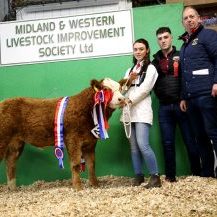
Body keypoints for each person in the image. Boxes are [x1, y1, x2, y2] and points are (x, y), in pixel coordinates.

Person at [152, 27, 202, 182]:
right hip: (164, 108)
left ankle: (198, 175)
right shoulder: (155, 61)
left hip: (182, 105)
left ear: (171, 38)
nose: (163, 40)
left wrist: (183, 97)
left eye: (166, 37)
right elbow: (151, 83)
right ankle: (170, 177)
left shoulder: (182, 55)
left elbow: (186, 78)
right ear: (157, 41)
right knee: (167, 143)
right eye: (160, 38)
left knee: (190, 140)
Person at [179, 6, 217, 177]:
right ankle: (207, 172)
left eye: (192, 16)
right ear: (183, 23)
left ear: (199, 18)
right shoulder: (185, 44)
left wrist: (216, 82)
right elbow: (184, 73)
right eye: (186, 18)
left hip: (207, 94)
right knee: (200, 137)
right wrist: (183, 97)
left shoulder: (208, 35)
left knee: (214, 133)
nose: (189, 20)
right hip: (191, 98)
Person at [119, 38, 161, 188]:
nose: (138, 52)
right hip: (128, 112)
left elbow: (145, 89)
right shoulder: (129, 70)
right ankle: (138, 175)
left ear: (147, 50)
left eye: (141, 49)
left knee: (143, 144)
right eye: (136, 49)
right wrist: (126, 84)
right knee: (134, 147)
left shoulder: (151, 68)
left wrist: (129, 100)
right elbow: (122, 90)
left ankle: (155, 176)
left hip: (142, 110)